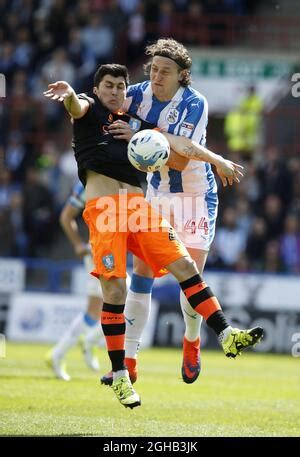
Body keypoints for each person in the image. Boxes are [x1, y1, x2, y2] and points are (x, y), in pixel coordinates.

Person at [44, 63, 263, 409]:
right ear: (97, 89)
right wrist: (70, 94)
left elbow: (183, 145)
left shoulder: (137, 125)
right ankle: (120, 375)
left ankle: (225, 333)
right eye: (108, 86)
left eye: (119, 86)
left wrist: (217, 159)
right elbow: (76, 106)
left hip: (138, 206)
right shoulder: (89, 107)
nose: (114, 91)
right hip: (104, 210)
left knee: (185, 265)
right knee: (115, 288)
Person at [101, 38, 244, 386]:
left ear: (182, 75)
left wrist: (137, 133)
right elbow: (104, 106)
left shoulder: (195, 104)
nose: (157, 76)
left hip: (195, 195)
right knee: (142, 272)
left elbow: (180, 158)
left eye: (165, 71)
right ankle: (130, 362)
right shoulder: (136, 94)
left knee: (189, 278)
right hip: (157, 194)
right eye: (153, 69)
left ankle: (191, 341)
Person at [46, 181, 103, 381]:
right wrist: (78, 244)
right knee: (128, 302)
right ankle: (87, 342)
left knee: (94, 311)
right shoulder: (87, 182)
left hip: (112, 249)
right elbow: (65, 216)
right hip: (100, 251)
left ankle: (59, 353)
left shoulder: (120, 171)